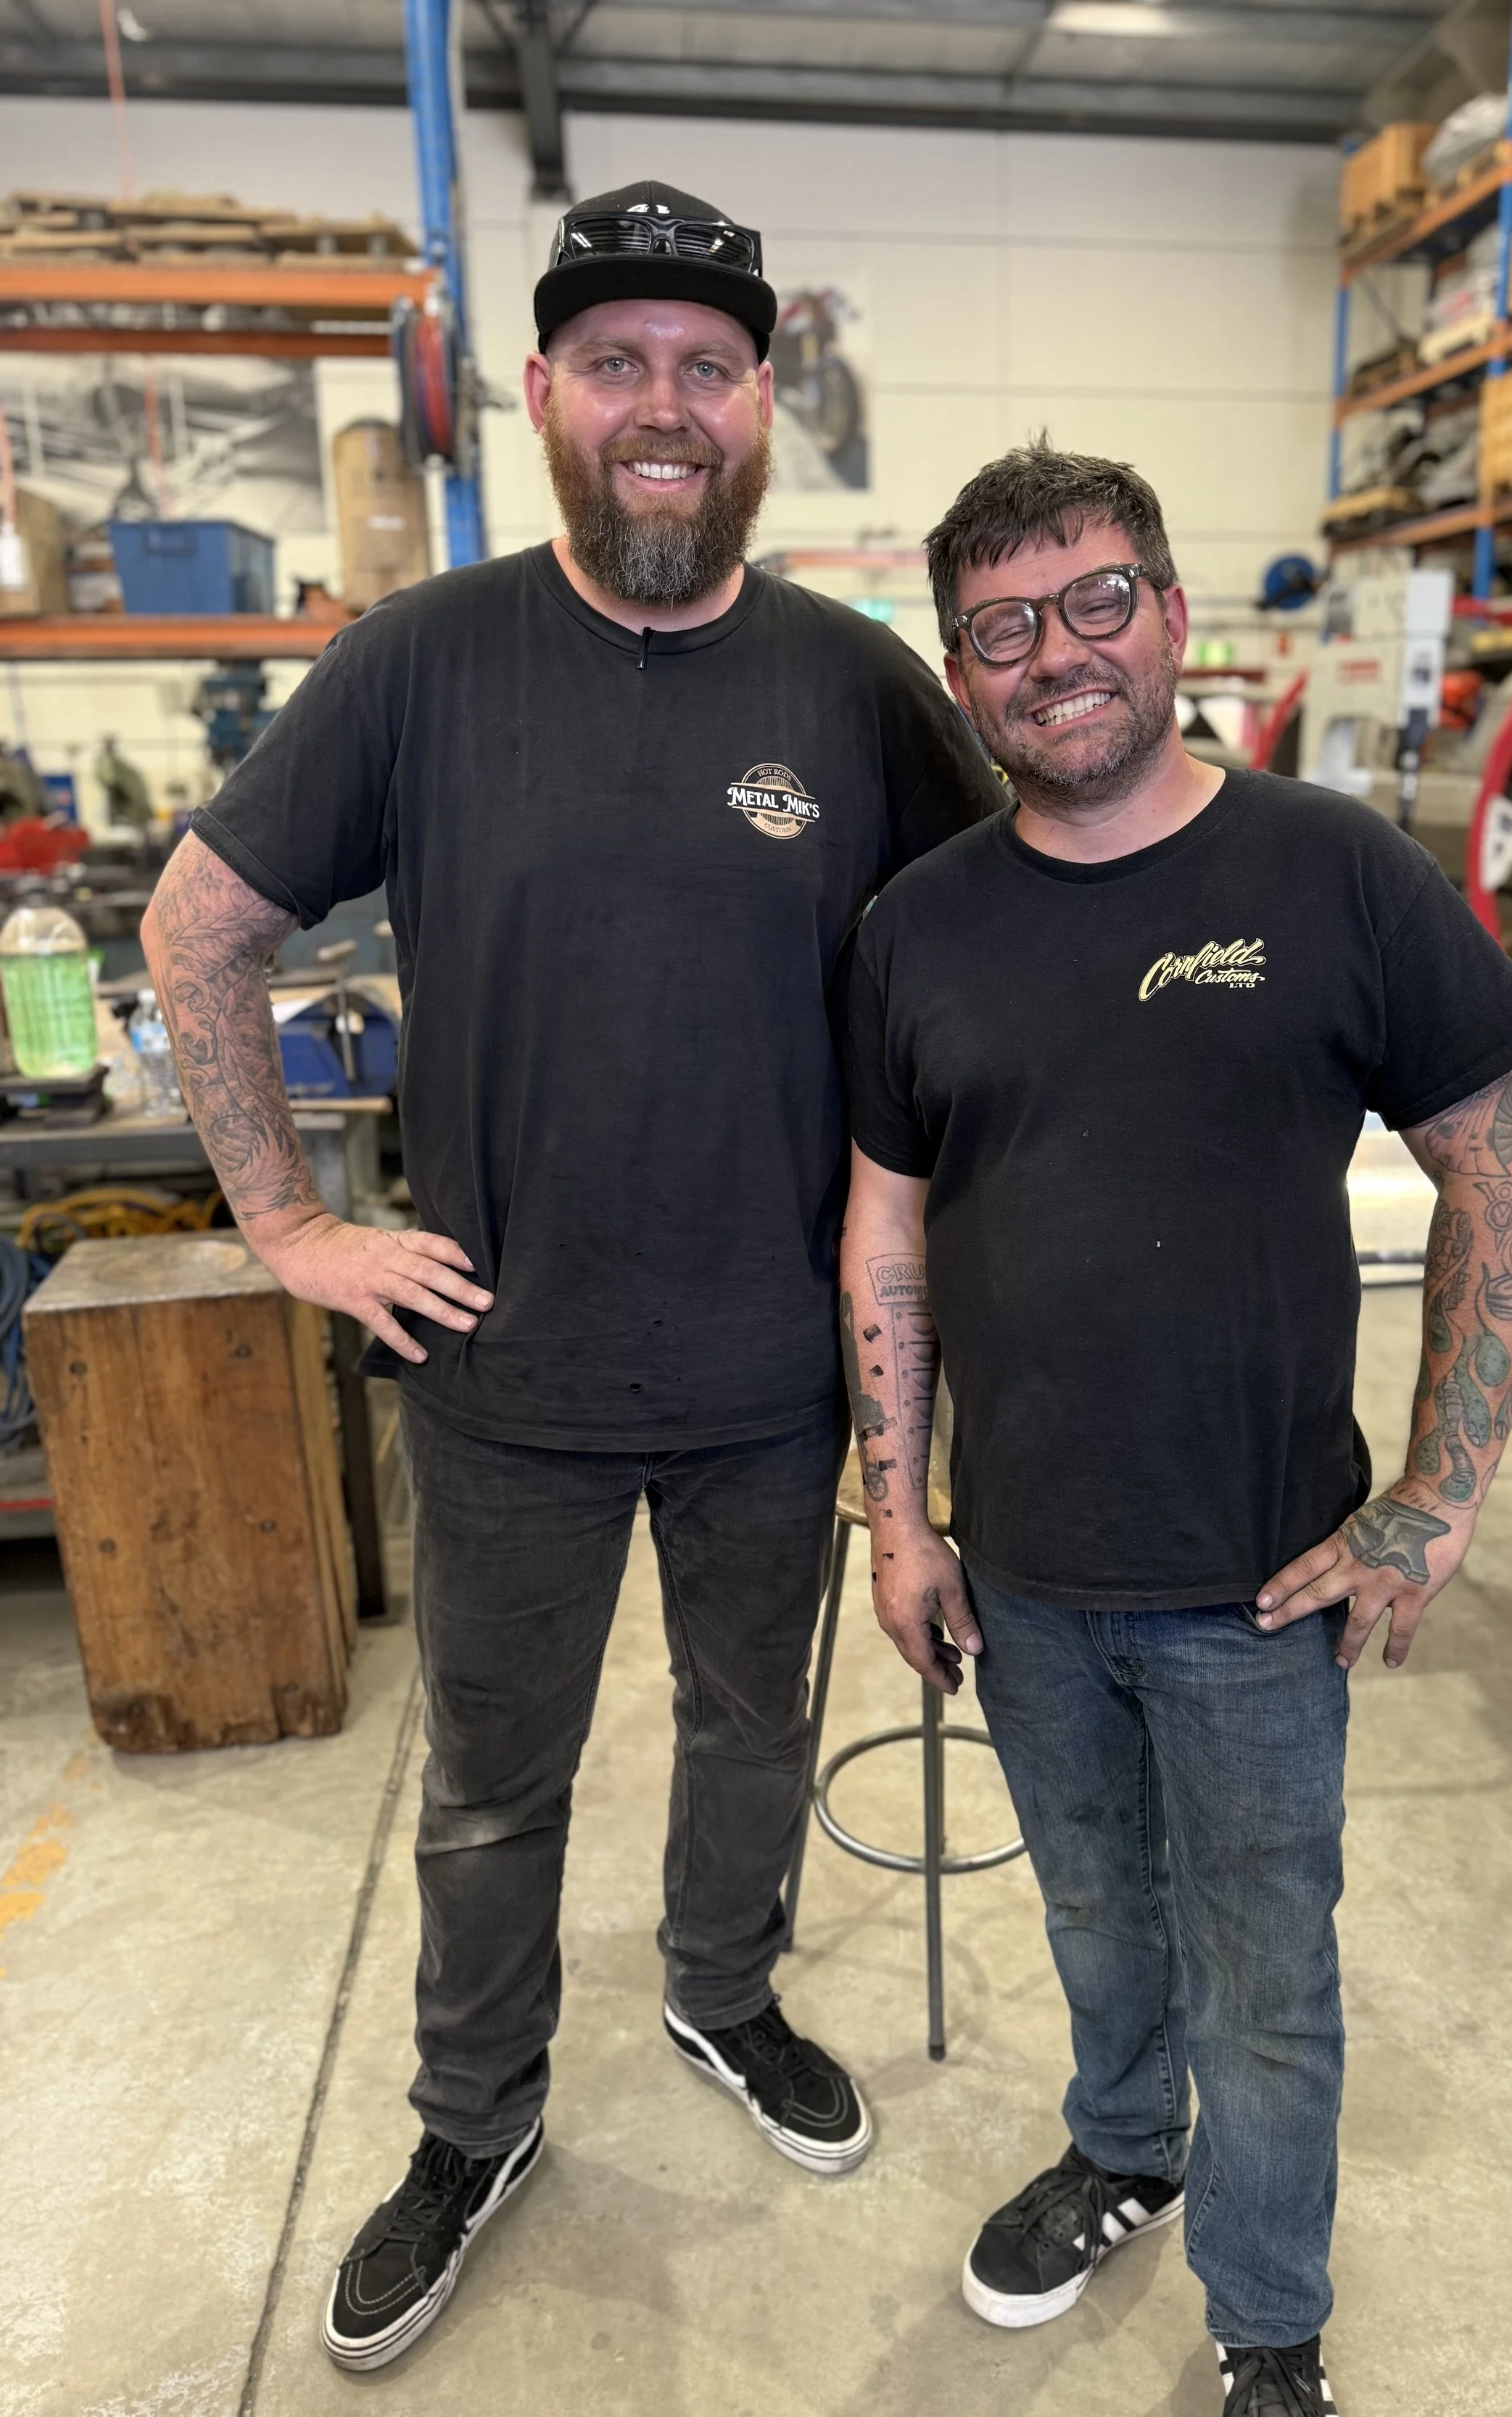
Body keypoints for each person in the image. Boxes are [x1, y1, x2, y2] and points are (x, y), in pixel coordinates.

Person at [141, 180, 1002, 2373]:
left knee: (750, 1722)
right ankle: (473, 2122)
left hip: (770, 1376)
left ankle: (723, 1996)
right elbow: (198, 927)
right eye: (615, 361)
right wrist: (290, 1226)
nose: (661, 405)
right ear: (537, 395)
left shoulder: (859, 687)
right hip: (497, 1371)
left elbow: (998, 967)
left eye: (705, 367)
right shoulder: (416, 664)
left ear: (758, 408)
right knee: (490, 1788)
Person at [838, 442, 1512, 2416]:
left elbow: (1501, 1175)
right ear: (962, 669)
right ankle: (1117, 2147)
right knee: (1087, 1906)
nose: (1054, 656)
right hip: (1024, 1573)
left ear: (1168, 618)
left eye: (1092, 604)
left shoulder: (1331, 874)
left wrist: (1431, 1501)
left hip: (1255, 1583)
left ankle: (1266, 2320)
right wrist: (901, 1523)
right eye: (1001, 628)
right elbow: (884, 1229)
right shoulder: (916, 926)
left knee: (1268, 1974)